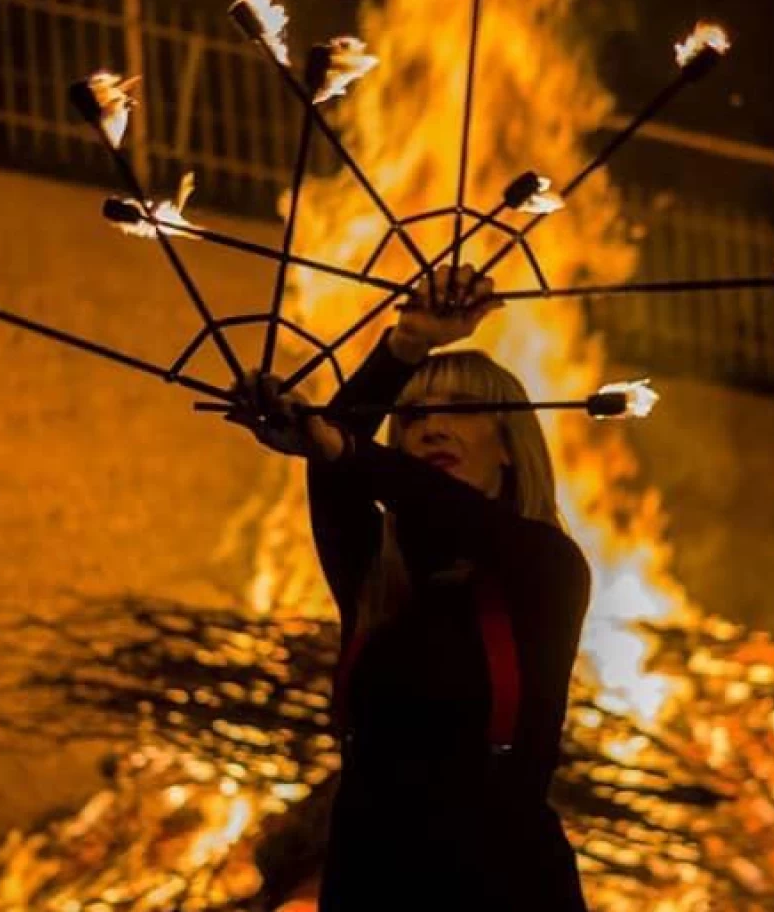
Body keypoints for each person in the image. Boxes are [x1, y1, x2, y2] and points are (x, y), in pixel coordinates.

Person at [230, 265, 593, 910]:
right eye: (415, 415)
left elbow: (399, 483)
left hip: (500, 889)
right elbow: (334, 470)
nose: (432, 426)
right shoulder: (378, 572)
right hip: (371, 880)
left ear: (509, 446)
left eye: (462, 410)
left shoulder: (545, 567)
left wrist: (338, 444)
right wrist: (404, 347)